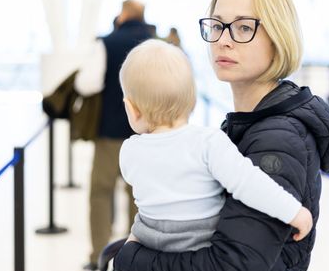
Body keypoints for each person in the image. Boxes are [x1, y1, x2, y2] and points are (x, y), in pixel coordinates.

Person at [114, 0, 329, 271]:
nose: (224, 40)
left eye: (243, 28)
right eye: (217, 25)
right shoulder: (244, 124)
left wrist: (127, 260)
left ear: (278, 38)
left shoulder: (279, 140)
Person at [118, 39, 313, 253]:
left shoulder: (130, 151)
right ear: (192, 101)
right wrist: (294, 211)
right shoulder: (208, 142)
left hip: (150, 241)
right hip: (200, 243)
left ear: (131, 110)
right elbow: (249, 183)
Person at [83, 0, 153, 271]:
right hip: (147, 133)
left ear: (122, 14)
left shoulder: (106, 43)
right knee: (140, 194)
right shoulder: (154, 44)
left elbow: (88, 84)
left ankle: (98, 256)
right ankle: (140, 253)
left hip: (111, 131)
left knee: (101, 190)